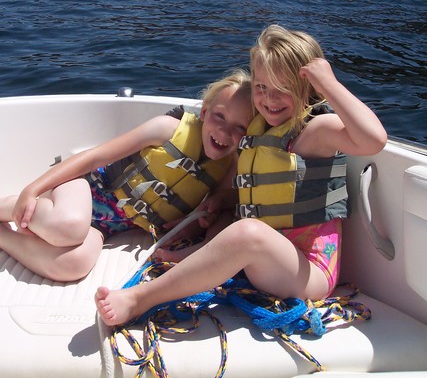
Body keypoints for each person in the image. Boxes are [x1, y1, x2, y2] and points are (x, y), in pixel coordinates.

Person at [95, 24, 387, 327]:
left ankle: (139, 299)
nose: (270, 99)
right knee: (240, 224)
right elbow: (245, 178)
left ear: (306, 88)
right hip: (267, 262)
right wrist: (220, 199)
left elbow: (374, 140)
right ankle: (197, 257)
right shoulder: (262, 128)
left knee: (248, 233)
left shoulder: (314, 131)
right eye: (261, 87)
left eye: (283, 89)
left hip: (309, 273)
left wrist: (330, 84)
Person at [0, 69, 254, 282]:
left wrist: (192, 234)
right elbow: (94, 156)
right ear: (204, 112)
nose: (224, 130)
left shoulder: (229, 169)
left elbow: (213, 212)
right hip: (85, 188)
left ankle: (3, 237)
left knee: (73, 265)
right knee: (68, 227)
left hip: (108, 226)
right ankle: (8, 206)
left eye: (240, 126)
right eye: (219, 116)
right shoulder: (167, 129)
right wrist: (31, 190)